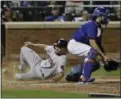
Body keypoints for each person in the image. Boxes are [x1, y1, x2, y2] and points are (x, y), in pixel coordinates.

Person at [67, 6, 111, 84]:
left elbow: (98, 44)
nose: (105, 17)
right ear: (99, 16)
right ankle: (84, 78)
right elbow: (92, 43)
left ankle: (76, 74)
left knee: (96, 64)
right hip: (74, 44)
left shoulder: (98, 28)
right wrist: (103, 56)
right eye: (103, 15)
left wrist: (105, 56)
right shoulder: (92, 24)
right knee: (93, 52)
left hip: (80, 44)